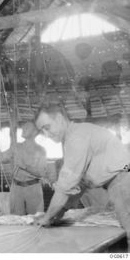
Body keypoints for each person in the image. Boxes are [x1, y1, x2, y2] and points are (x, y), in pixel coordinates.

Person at [35, 104, 130, 251]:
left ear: (60, 119)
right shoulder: (75, 135)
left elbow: (64, 188)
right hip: (120, 181)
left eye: (47, 127)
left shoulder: (76, 138)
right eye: (42, 131)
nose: (46, 134)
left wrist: (47, 218)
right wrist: (61, 211)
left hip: (124, 182)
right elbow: (79, 184)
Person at [0, 121, 47, 216]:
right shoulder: (16, 147)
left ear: (34, 133)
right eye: (23, 127)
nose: (23, 128)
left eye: (27, 127)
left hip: (33, 189)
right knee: (16, 220)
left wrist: (24, 166)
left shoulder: (41, 150)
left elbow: (42, 173)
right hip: (16, 188)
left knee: (36, 218)